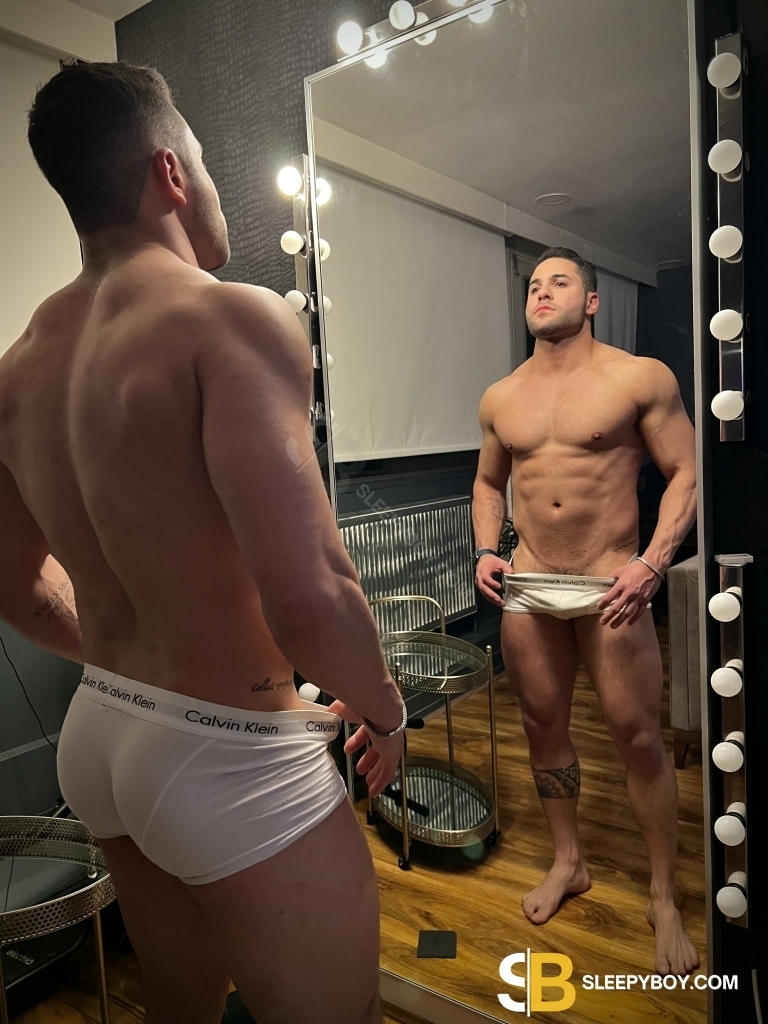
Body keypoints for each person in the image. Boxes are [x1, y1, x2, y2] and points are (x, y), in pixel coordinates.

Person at [0, 61, 405, 1024]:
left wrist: (146, 677)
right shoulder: (231, 316)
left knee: (180, 1008)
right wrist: (385, 713)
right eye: (207, 162)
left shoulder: (17, 369)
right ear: (171, 172)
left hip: (100, 736)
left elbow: (15, 587)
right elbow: (310, 595)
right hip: (232, 756)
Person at [472, 247, 698, 976]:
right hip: (531, 587)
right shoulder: (502, 396)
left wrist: (651, 562)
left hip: (610, 584)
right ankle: (569, 861)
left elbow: (686, 471)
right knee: (542, 729)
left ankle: (663, 894)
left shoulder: (638, 377)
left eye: (559, 282)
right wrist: (486, 549)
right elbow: (488, 481)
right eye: (534, 285)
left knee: (637, 737)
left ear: (592, 301)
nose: (542, 292)